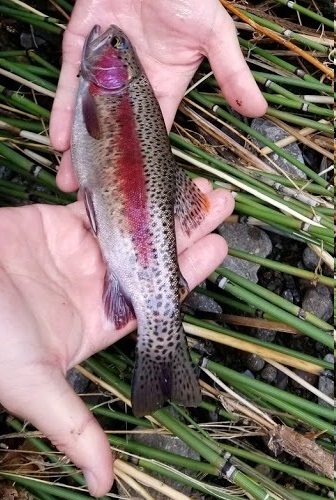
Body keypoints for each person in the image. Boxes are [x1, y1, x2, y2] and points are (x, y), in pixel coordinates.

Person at [0, 0, 266, 497]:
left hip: (133, 220)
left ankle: (161, 339)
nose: (109, 40)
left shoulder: (102, 94)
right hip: (134, 218)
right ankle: (164, 346)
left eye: (116, 47)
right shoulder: (104, 93)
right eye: (117, 47)